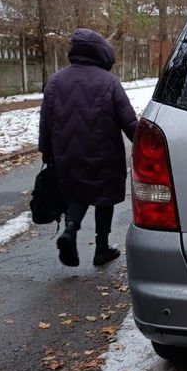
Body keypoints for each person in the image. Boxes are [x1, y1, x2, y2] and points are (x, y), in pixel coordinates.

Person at [38, 29, 138, 267]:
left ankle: (70, 231)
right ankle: (101, 248)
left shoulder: (56, 81)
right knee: (104, 198)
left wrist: (46, 150)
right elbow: (128, 120)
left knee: (77, 193)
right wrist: (145, 144)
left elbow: (46, 119)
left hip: (67, 152)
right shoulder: (109, 82)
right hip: (104, 154)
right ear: (101, 53)